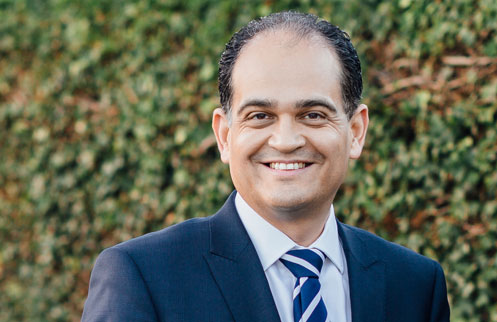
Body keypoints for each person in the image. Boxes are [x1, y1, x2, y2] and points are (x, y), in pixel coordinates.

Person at [82, 11, 450, 322]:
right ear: (224, 135)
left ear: (355, 131)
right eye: (260, 115)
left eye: (313, 114)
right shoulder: (142, 276)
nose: (286, 140)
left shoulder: (415, 285)